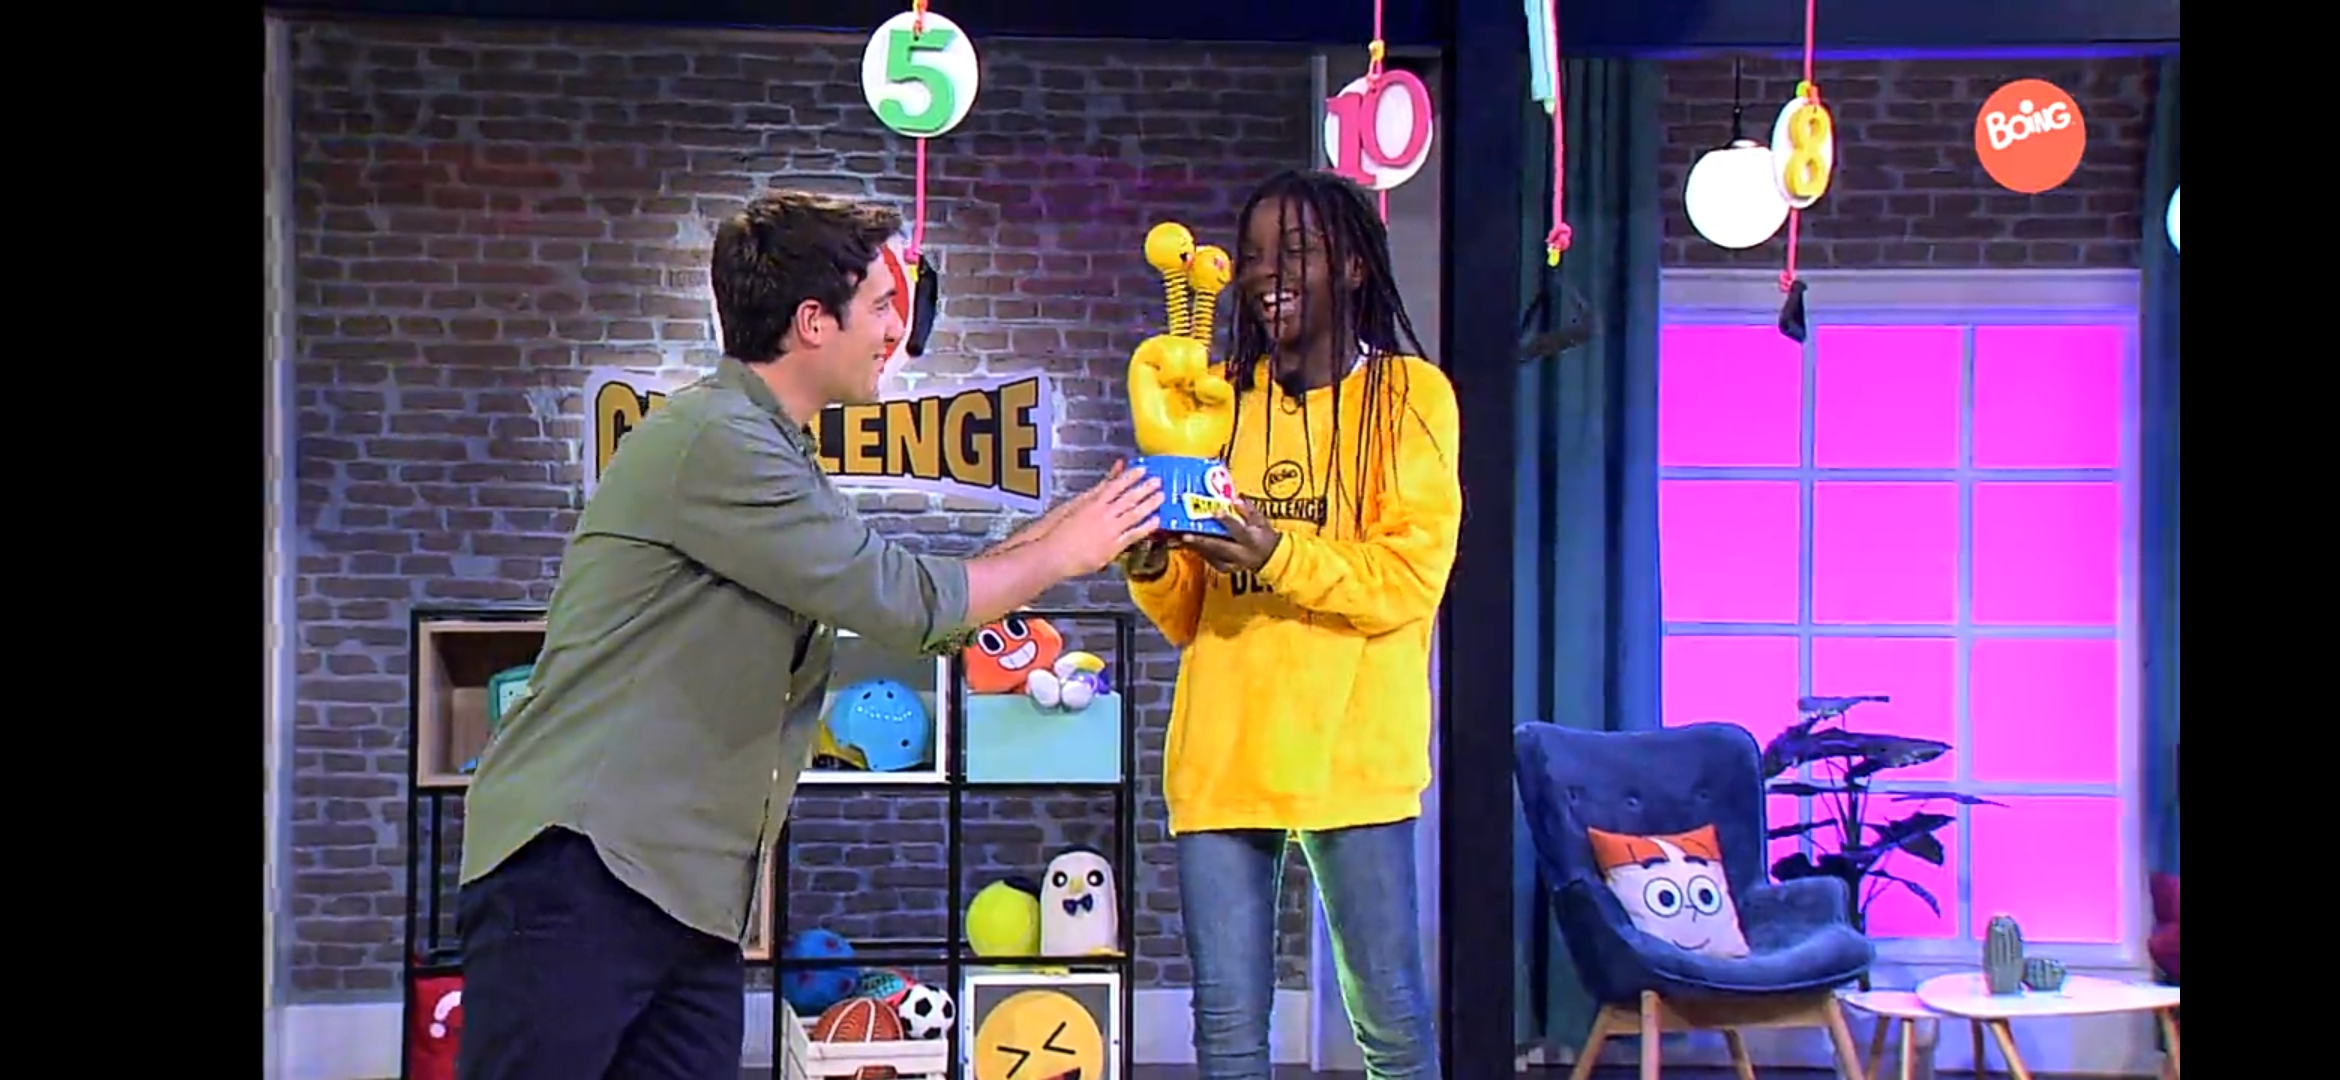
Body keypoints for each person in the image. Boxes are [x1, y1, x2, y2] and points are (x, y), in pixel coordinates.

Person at [455, 189, 1163, 1080]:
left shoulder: (772, 450)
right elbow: (902, 599)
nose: (896, 332)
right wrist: (1065, 550)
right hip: (585, 865)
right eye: (882, 306)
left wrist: (1073, 527)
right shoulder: (715, 440)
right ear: (813, 322)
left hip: (685, 892)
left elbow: (908, 602)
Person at [1123, 169, 1461, 1080]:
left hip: (1354, 758)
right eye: (1255, 255)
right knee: (1228, 1042)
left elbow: (1409, 579)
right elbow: (1190, 612)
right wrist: (1149, 559)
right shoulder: (1218, 405)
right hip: (1222, 753)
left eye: (1296, 252)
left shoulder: (1410, 397)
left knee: (1393, 1030)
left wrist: (1276, 553)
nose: (1266, 274)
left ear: (1352, 266)